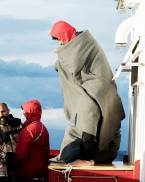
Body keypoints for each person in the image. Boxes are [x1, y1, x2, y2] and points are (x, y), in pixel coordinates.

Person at [49, 20, 125, 166]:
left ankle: (85, 159)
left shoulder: (82, 45)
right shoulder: (83, 44)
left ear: (64, 36)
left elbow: (71, 62)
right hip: (99, 91)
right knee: (85, 121)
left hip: (96, 90)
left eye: (59, 40)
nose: (59, 45)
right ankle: (83, 158)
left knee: (87, 116)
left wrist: (60, 62)